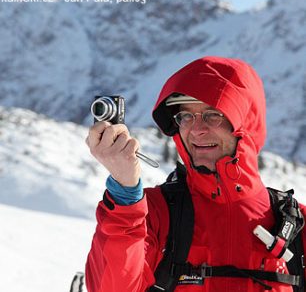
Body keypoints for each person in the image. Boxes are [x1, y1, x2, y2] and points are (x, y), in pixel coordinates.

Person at [85, 56, 306, 292]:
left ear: (246, 124)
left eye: (213, 114)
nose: (197, 130)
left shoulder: (297, 226)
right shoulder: (152, 214)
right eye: (186, 116)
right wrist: (125, 194)